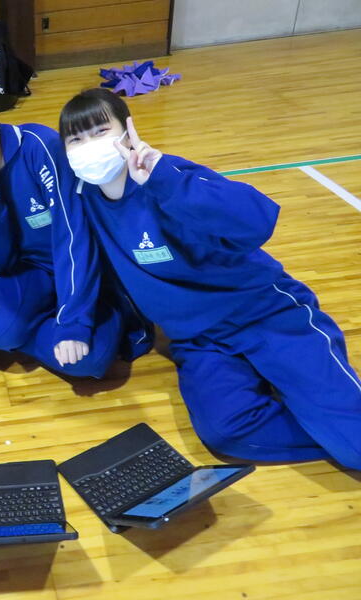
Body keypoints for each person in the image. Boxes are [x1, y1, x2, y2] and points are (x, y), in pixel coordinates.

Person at [57, 88, 361, 469]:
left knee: (355, 446)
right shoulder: (82, 200)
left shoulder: (165, 175)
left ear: (127, 131)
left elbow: (256, 220)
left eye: (100, 131)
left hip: (266, 314)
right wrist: (73, 324)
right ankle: (329, 430)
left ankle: (338, 429)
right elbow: (75, 261)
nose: (89, 146)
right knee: (226, 432)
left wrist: (165, 180)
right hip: (200, 339)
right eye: (76, 139)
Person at [0, 79, 152, 377]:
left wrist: (72, 324)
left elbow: (73, 234)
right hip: (31, 270)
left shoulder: (40, 146)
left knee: (89, 361)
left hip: (81, 266)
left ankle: (25, 323)